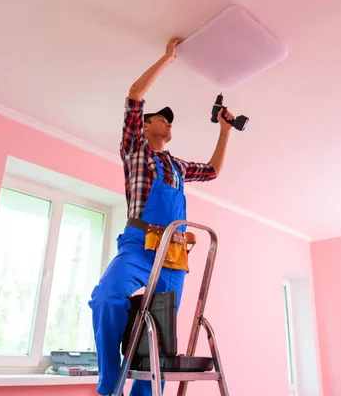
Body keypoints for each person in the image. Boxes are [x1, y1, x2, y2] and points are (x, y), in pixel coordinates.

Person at [88, 37, 235, 396]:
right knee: (107, 298)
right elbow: (135, 95)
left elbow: (214, 170)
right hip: (139, 244)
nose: (168, 124)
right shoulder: (134, 150)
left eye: (170, 122)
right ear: (146, 125)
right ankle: (110, 381)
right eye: (161, 119)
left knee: (160, 331)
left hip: (174, 254)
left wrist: (224, 130)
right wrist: (167, 58)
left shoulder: (178, 166)